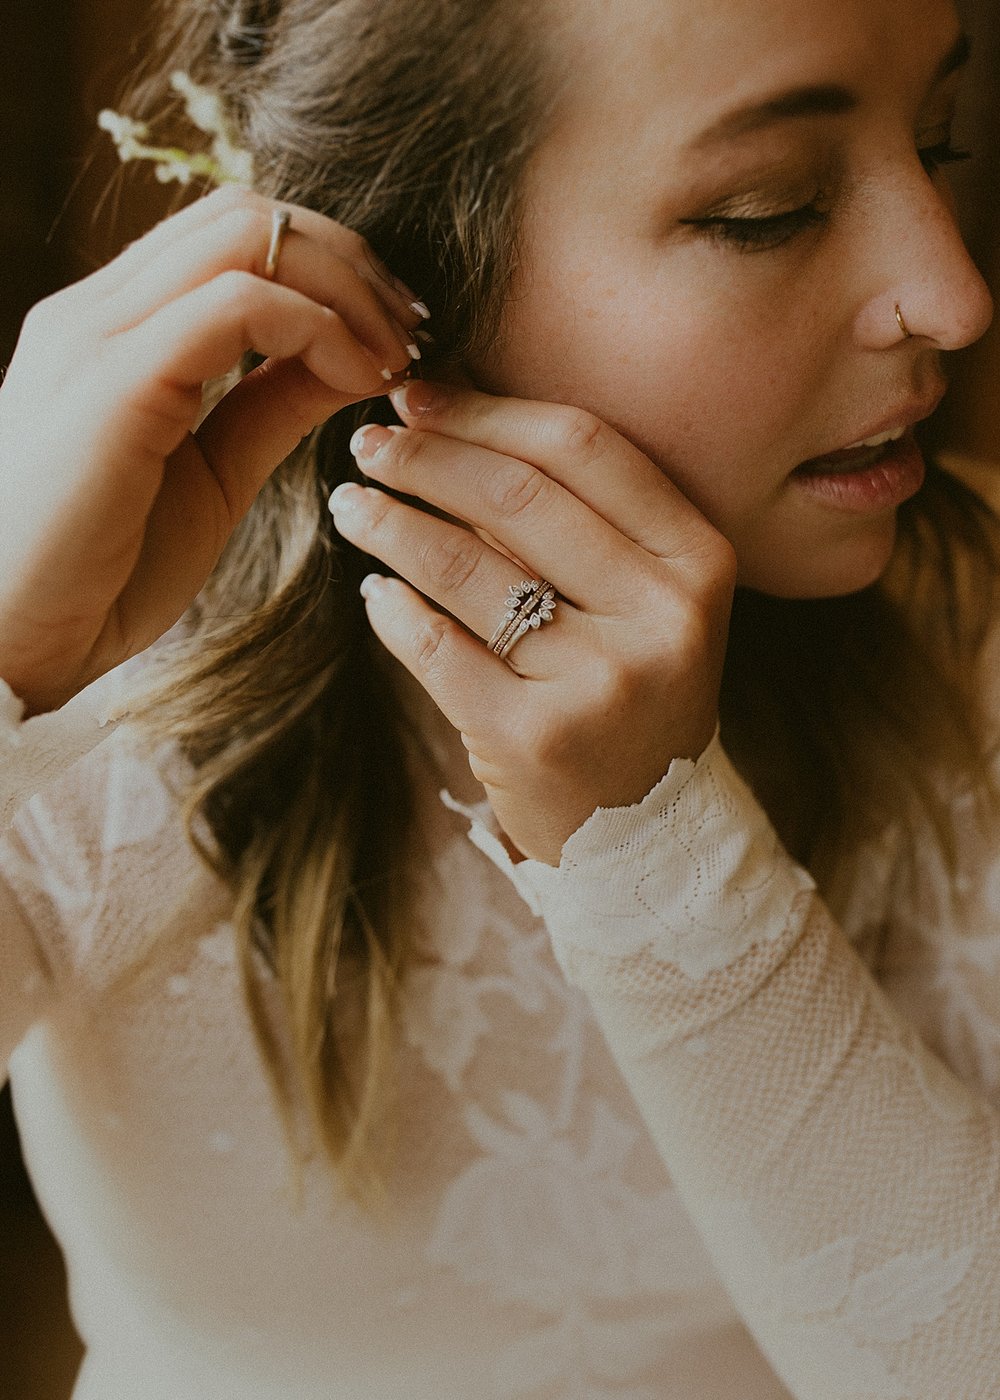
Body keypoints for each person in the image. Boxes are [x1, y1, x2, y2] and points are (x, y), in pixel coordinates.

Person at [2, 0, 999, 1394]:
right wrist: (8, 662)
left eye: (938, 139)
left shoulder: (975, 638)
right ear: (400, 274)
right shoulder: (111, 714)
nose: (954, 293)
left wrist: (658, 855)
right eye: (769, 209)